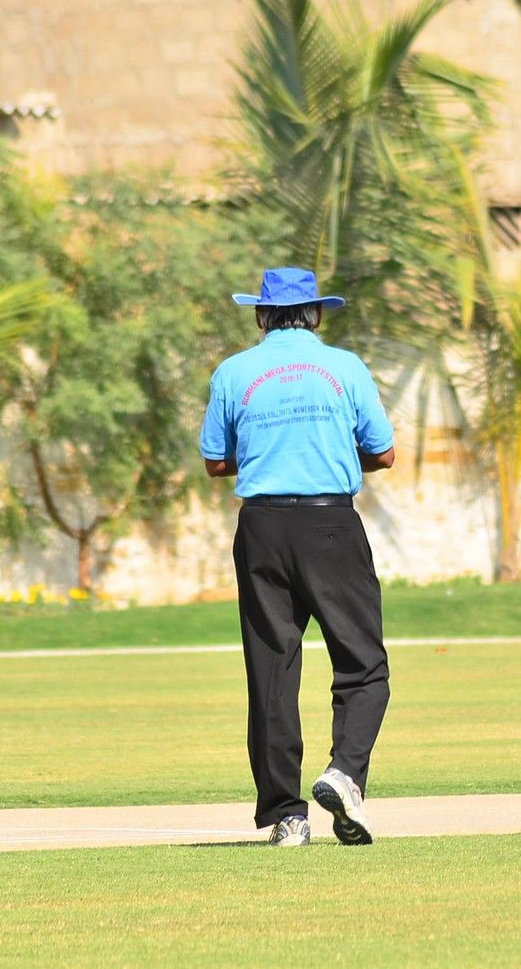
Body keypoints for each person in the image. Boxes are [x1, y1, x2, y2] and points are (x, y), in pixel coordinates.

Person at [200, 267, 396, 847]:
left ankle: (287, 816)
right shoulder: (345, 367)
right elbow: (384, 453)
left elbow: (215, 461)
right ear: (317, 313)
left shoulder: (233, 371)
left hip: (262, 525)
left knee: (272, 671)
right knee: (362, 664)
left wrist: (270, 452)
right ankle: (344, 774)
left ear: (261, 316)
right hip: (329, 521)